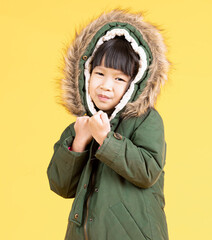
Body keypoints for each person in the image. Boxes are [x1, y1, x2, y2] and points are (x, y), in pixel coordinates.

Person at [46, 8, 170, 240]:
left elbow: (147, 171)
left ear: (135, 83)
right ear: (86, 74)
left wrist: (107, 139)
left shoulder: (146, 120)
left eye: (119, 78)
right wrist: (79, 142)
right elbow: (61, 185)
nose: (105, 86)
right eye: (99, 73)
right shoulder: (82, 125)